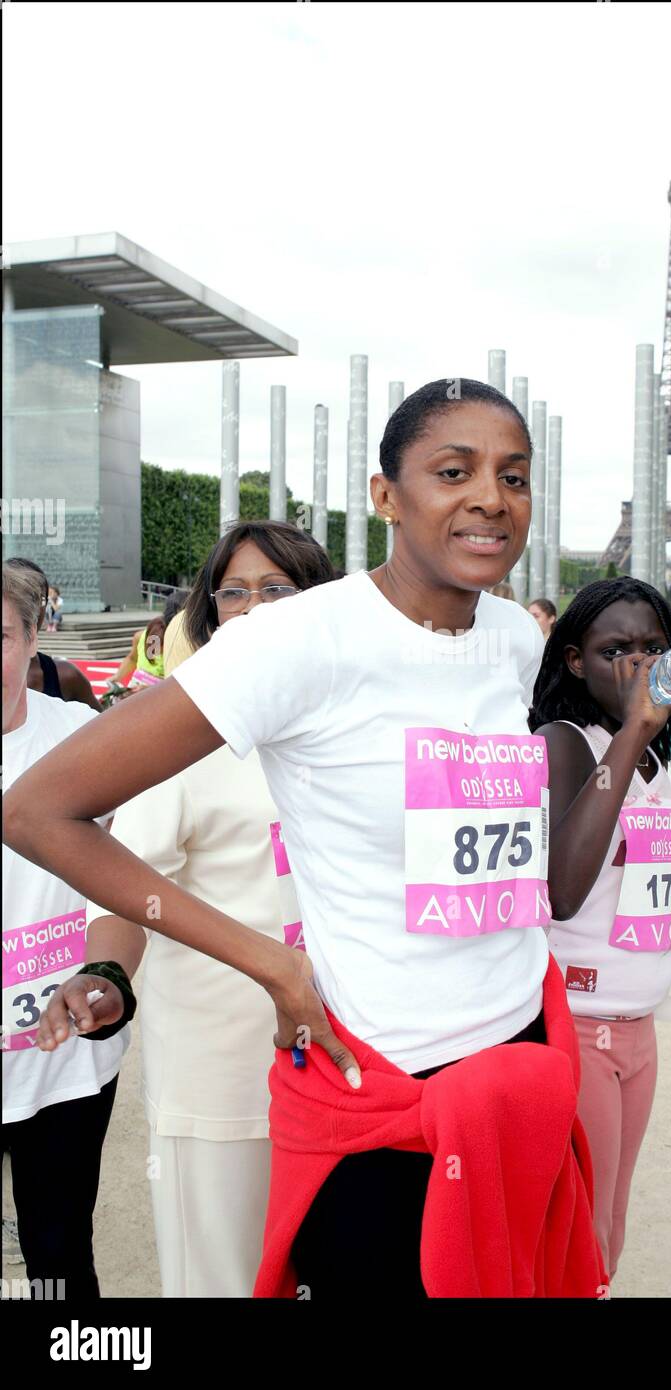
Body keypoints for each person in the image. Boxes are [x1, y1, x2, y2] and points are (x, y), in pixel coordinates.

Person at [5, 379, 605, 1300]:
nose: (491, 496)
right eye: (454, 471)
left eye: (514, 477)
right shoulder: (294, 642)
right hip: (385, 1092)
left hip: (520, 1059)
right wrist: (270, 965)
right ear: (384, 496)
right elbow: (40, 810)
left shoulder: (511, 641)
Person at [36, 522, 335, 1297]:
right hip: (220, 1074)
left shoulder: (348, 736)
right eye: (231, 593)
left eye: (276, 590)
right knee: (223, 1282)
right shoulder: (179, 741)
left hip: (340, 1060)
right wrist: (107, 971)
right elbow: (123, 888)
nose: (251, 609)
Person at [529, 578, 671, 1279]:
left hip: (637, 1022)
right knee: (581, 1229)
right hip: (579, 1023)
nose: (639, 667)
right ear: (573, 661)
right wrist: (635, 729)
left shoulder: (649, 754)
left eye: (655, 648)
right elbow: (563, 888)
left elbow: (636, 867)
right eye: (615, 649)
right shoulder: (566, 743)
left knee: (611, 1222)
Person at [1, 564, 130, 1298]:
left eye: (2, 637)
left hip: (65, 1062)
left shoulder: (84, 739)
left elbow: (126, 879)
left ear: (33, 638)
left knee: (57, 1258)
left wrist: (101, 976)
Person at [5, 558, 101, 712]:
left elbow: (105, 728)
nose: (28, 607)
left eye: (36, 598)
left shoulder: (66, 676)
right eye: (17, 596)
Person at [111, 616, 167, 690]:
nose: (157, 651)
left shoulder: (180, 646)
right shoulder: (140, 636)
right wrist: (117, 676)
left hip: (162, 692)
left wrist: (150, 689)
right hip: (137, 685)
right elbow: (133, 659)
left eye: (161, 646)